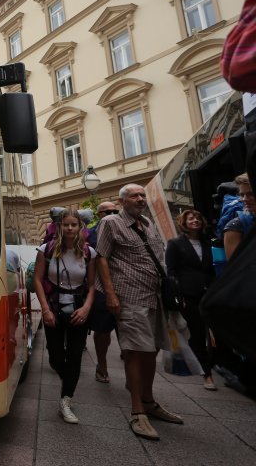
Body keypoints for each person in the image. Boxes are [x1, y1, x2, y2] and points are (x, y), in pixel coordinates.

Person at [97, 184, 183, 441]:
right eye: (134, 196)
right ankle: (137, 411)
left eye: (142, 195)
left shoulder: (148, 223)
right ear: (122, 201)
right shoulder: (111, 223)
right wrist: (110, 295)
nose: (140, 199)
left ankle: (149, 401)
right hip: (130, 298)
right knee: (135, 352)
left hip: (155, 298)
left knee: (152, 349)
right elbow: (101, 257)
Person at [33, 208, 96, 424]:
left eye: (74, 224)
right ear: (59, 227)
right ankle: (68, 378)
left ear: (80, 227)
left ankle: (65, 401)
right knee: (56, 358)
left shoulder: (89, 253)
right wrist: (45, 310)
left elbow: (92, 285)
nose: (70, 228)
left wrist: (87, 307)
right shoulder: (46, 250)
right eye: (66, 224)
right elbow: (38, 281)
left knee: (76, 356)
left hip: (78, 309)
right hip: (54, 309)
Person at [165, 210, 216, 390]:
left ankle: (217, 365)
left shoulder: (209, 243)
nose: (195, 220)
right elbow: (171, 273)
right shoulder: (175, 244)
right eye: (190, 218)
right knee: (197, 333)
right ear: (183, 223)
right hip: (189, 295)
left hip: (210, 294)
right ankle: (207, 373)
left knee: (216, 333)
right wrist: (178, 298)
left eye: (198, 217)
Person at [87, 201, 121, 384]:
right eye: (107, 211)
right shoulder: (89, 234)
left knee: (127, 330)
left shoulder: (126, 228)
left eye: (115, 210)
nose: (112, 213)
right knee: (102, 330)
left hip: (125, 285)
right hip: (100, 287)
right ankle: (102, 364)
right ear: (99, 214)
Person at [223, 173, 254, 260]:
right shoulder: (235, 227)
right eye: (242, 195)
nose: (244, 199)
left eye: (250, 194)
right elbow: (237, 269)